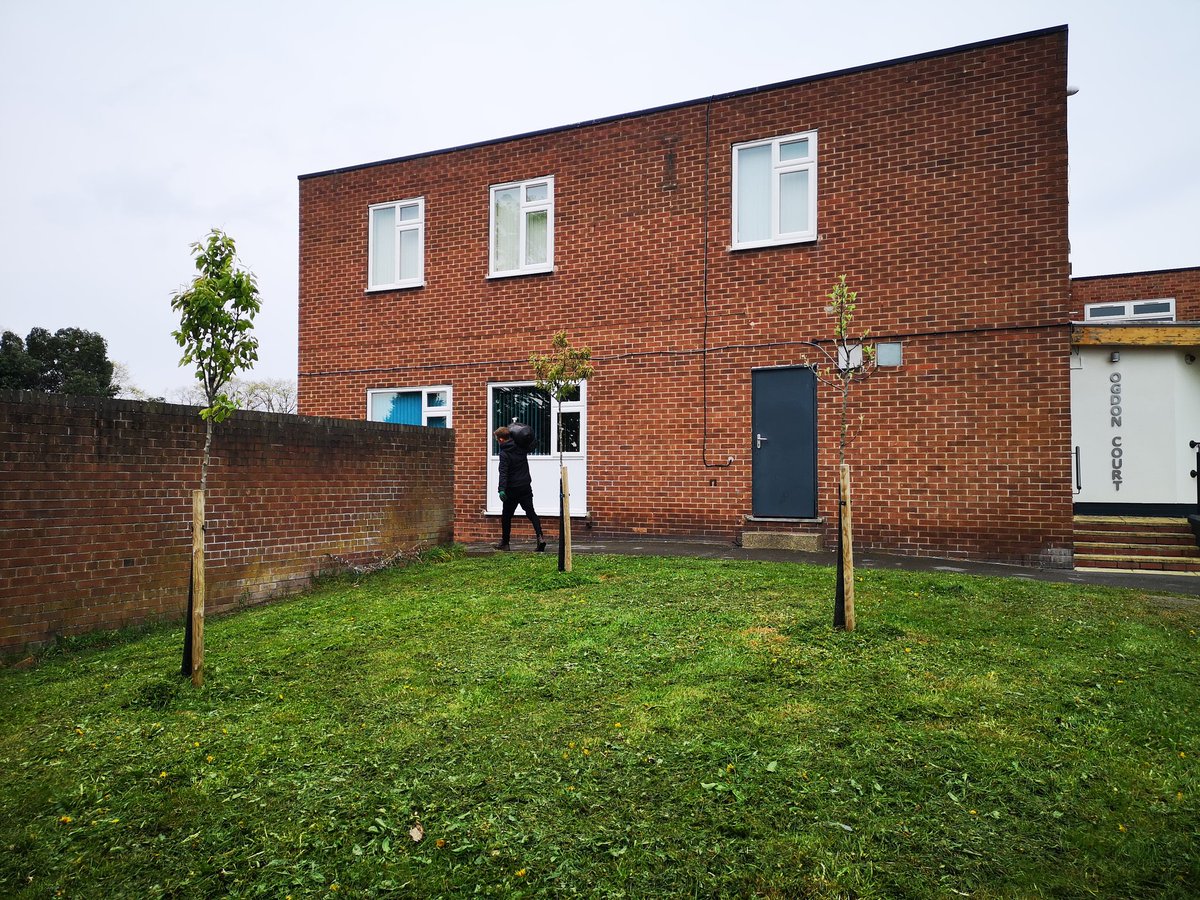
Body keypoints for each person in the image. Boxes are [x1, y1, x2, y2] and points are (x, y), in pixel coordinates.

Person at [494, 425, 547, 552]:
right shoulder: (520, 446)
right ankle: (540, 538)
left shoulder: (504, 453)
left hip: (512, 489)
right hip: (525, 487)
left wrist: (501, 489)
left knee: (506, 516)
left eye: (497, 439)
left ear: (501, 440)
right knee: (531, 512)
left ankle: (505, 543)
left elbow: (503, 472)